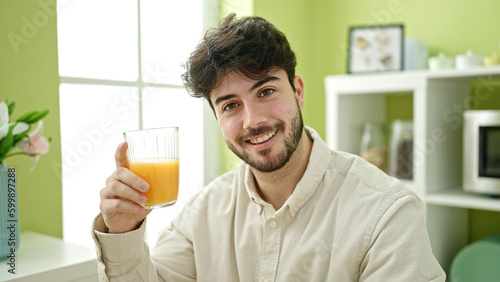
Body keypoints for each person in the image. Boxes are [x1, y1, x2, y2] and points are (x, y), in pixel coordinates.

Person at [93, 14, 446, 281]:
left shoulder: (387, 215)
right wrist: (123, 233)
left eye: (266, 91)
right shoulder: (202, 213)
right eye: (231, 105)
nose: (253, 121)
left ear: (299, 92)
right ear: (217, 120)